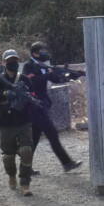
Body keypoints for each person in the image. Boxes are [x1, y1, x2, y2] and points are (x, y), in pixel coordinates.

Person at [20, 41, 83, 173]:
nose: (45, 53)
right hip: (34, 105)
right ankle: (67, 163)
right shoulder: (28, 66)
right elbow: (30, 82)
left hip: (42, 105)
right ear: (35, 53)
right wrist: (46, 75)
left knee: (34, 138)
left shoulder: (43, 66)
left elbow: (56, 79)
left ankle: (25, 168)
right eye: (42, 51)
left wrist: (70, 76)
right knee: (52, 134)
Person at [0, 49, 37, 196]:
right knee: (8, 156)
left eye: (14, 60)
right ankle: (12, 176)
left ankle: (25, 183)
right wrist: (5, 94)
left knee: (27, 151)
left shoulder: (24, 79)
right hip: (5, 122)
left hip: (23, 121)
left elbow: (33, 97)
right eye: (9, 61)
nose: (12, 63)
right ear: (3, 63)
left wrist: (24, 100)